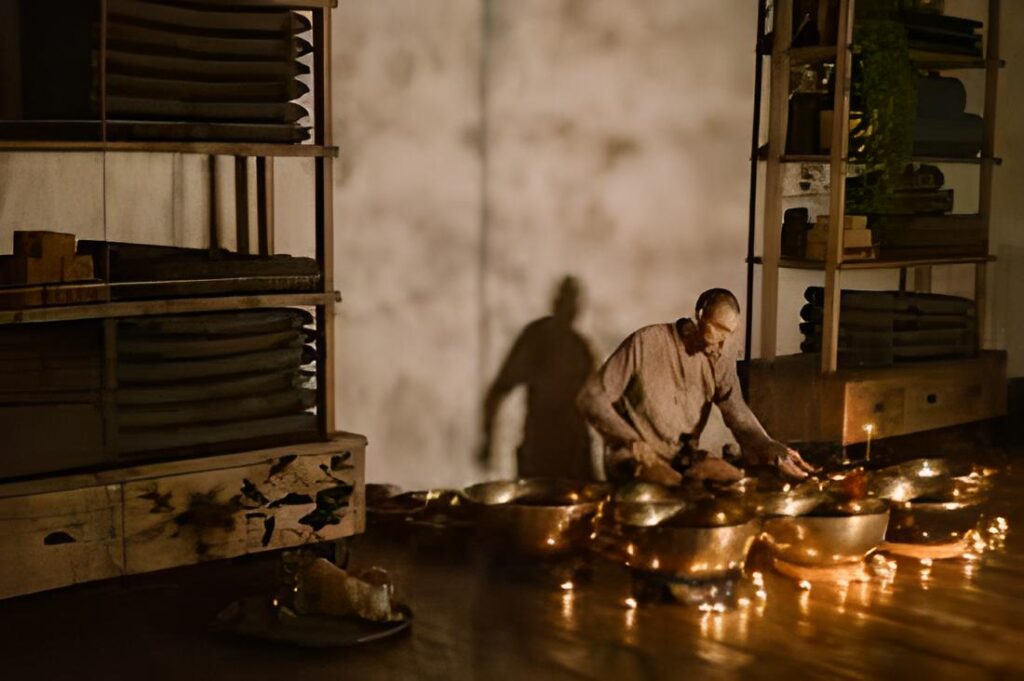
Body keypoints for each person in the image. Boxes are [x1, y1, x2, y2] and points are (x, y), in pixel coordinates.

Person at [576, 288, 814, 485]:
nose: (721, 343)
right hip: (635, 455)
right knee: (676, 490)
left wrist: (768, 445)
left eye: (728, 334)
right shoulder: (646, 342)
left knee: (734, 484)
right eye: (718, 329)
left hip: (682, 456)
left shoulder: (721, 353)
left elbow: (736, 410)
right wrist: (629, 440)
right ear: (699, 316)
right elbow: (591, 397)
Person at [480, 276, 596, 479]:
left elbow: (595, 408)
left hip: (574, 453)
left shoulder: (581, 349)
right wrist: (488, 439)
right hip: (540, 451)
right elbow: (499, 390)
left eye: (572, 303)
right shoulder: (536, 339)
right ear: (556, 303)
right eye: (565, 301)